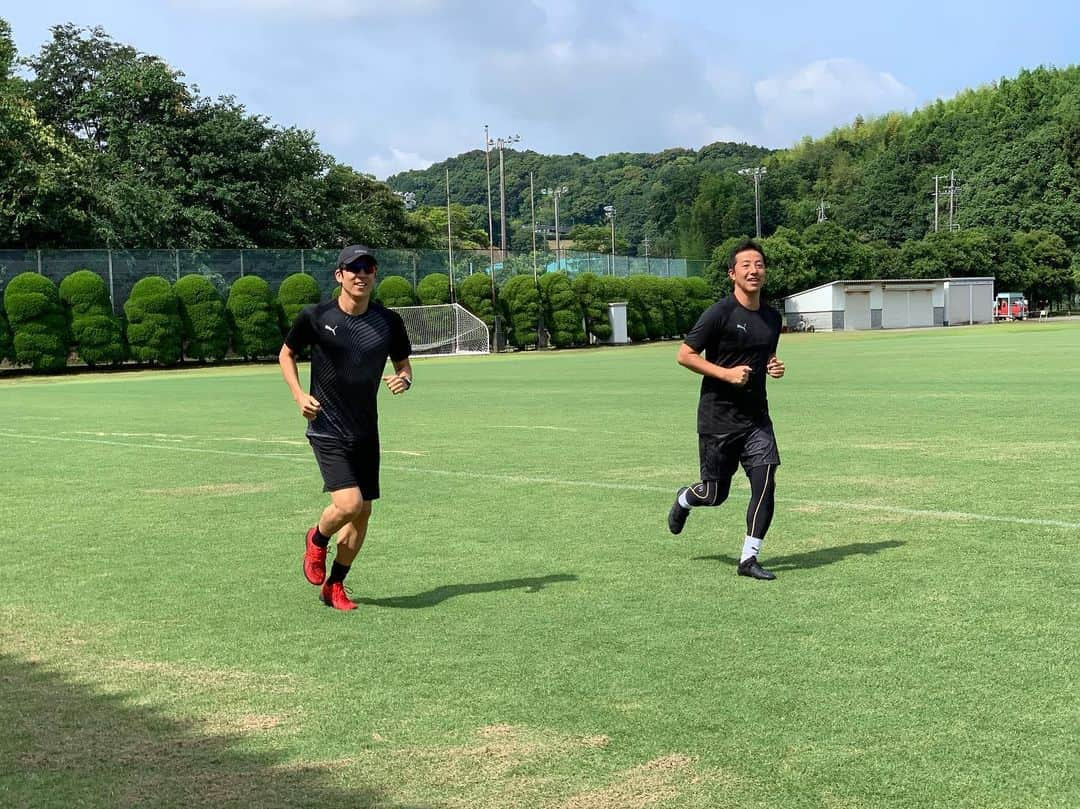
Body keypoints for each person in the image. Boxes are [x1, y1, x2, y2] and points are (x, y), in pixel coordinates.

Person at [278, 245, 413, 610]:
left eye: (367, 268)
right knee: (349, 503)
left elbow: (403, 364)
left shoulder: (388, 322)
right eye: (353, 269)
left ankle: (335, 585)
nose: (361, 275)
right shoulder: (315, 316)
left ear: (374, 274)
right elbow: (286, 353)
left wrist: (405, 379)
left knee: (363, 512)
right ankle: (317, 539)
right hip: (326, 426)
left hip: (366, 431)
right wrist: (298, 395)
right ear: (339, 275)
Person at [666, 238, 786, 580]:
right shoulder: (719, 313)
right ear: (733, 273)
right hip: (718, 418)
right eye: (746, 265)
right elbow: (684, 354)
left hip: (756, 419)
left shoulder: (772, 317)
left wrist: (774, 367)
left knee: (766, 481)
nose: (754, 270)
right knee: (714, 494)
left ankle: (748, 559)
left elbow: (765, 358)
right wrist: (725, 374)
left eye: (759, 264)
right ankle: (686, 499)